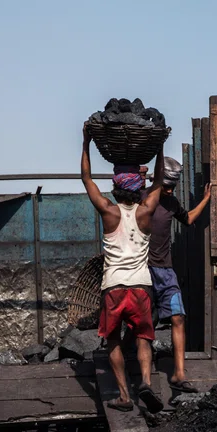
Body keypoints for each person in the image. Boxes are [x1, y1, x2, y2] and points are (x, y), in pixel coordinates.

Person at [80, 125, 165, 413]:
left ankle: (124, 396)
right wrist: (160, 147)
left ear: (116, 186)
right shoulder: (145, 211)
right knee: (143, 337)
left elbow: (86, 178)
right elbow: (161, 180)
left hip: (114, 287)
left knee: (113, 340)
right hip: (141, 286)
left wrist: (86, 142)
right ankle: (145, 383)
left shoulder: (108, 210)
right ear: (138, 188)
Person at [147, 157, 212, 394]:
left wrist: (206, 199)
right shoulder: (142, 200)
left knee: (178, 317)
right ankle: (141, 374)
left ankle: (179, 374)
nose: (169, 190)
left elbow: (189, 219)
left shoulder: (172, 203)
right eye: (165, 186)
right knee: (144, 324)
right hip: (142, 271)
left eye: (172, 186)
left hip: (165, 271)